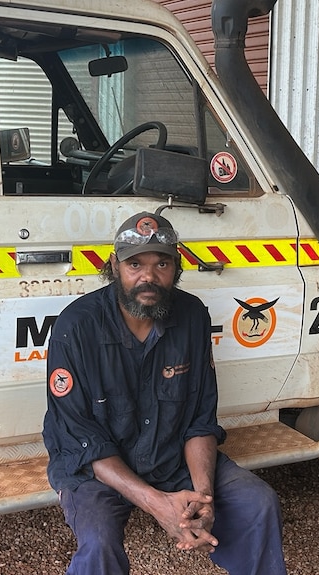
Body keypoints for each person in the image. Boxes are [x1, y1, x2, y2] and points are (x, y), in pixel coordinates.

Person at [42, 211, 287, 575]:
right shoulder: (76, 326)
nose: (148, 277)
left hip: (170, 457)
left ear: (177, 266)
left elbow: (200, 420)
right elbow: (82, 440)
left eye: (162, 263)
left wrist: (205, 498)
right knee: (98, 542)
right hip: (95, 471)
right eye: (135, 264)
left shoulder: (191, 317)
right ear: (114, 266)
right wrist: (158, 504)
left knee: (258, 503)